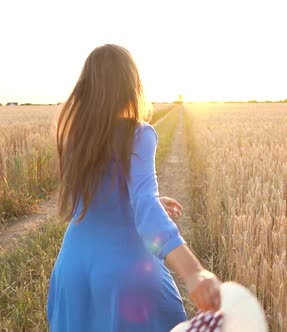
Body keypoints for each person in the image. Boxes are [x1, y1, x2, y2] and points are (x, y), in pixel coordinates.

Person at [47, 44, 221, 331]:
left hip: (71, 268)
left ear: (86, 87)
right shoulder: (138, 134)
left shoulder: (75, 135)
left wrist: (139, 201)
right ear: (132, 86)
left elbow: (95, 198)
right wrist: (194, 272)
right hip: (125, 273)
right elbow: (144, 204)